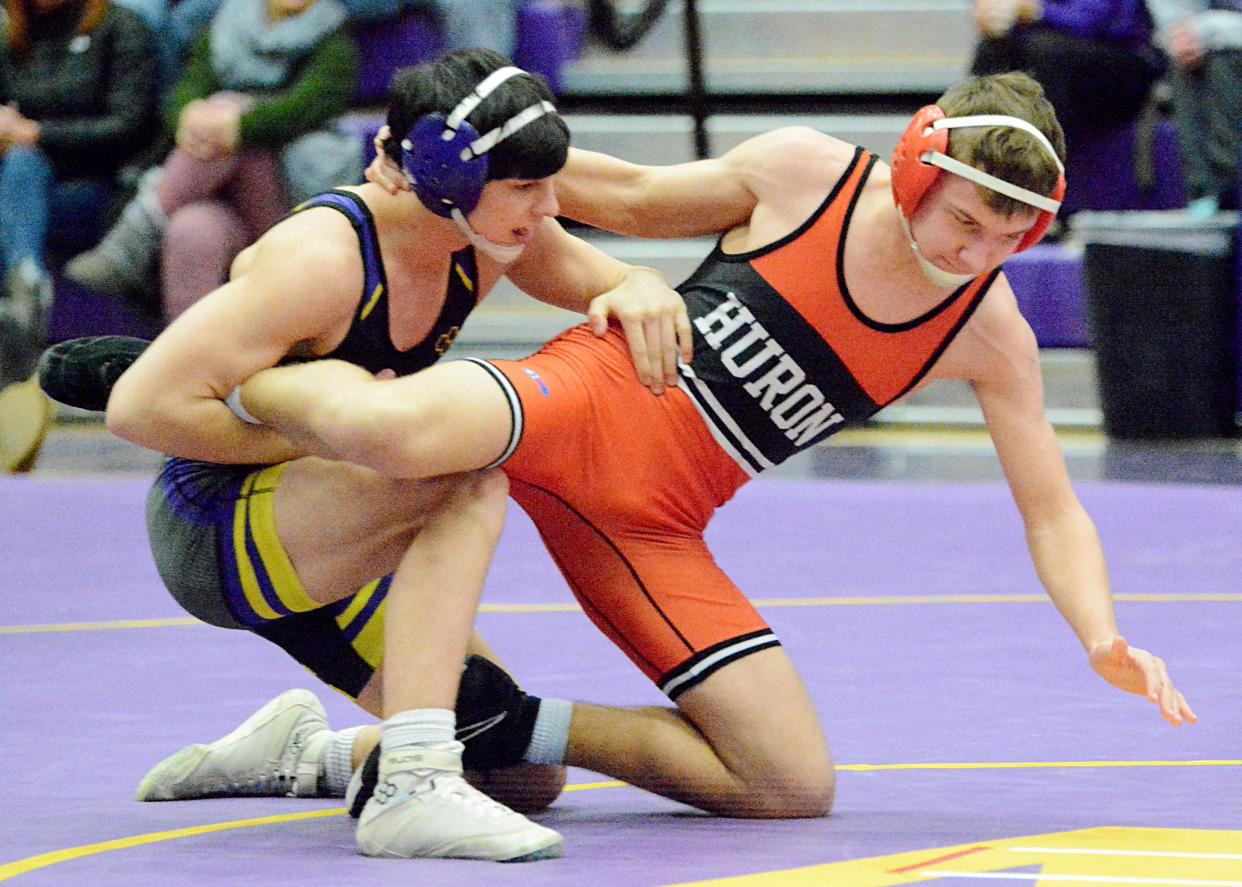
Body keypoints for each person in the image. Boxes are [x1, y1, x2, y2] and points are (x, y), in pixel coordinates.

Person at [52, 71, 1195, 849]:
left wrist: (1099, 631)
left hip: (652, 520)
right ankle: (222, 365)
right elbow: (629, 197)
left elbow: (1050, 506)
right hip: (582, 401)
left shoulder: (986, 331)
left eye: (1011, 237)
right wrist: (481, 148)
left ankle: (397, 740)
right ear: (915, 168)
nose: (976, 253)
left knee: (788, 783)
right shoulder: (806, 175)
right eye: (965, 221)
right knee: (406, 432)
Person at [39, 48, 691, 861]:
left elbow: (600, 278)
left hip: (334, 524)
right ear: (446, 177)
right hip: (218, 522)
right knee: (463, 470)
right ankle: (413, 786)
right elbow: (141, 407)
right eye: (526, 187)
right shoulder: (321, 259)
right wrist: (326, 434)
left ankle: (301, 751)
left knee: (519, 767)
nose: (549, 205)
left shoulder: (486, 233)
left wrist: (639, 283)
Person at [63, 0, 360, 320]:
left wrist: (237, 126)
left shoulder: (333, 41)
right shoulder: (227, 25)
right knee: (191, 228)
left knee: (227, 106)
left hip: (286, 200)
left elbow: (303, 110)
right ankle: (187, 357)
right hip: (214, 190)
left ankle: (136, 233)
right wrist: (188, 118)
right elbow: (188, 89)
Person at [0, 0, 157, 367]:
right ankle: (26, 284)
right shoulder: (13, 34)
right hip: (23, 183)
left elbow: (129, 127)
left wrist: (38, 134)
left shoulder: (121, 27)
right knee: (21, 170)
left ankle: (25, 290)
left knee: (23, 166)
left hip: (100, 183)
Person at [1146, 0, 1242, 217]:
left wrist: (1206, 29)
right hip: (1211, 41)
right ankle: (1206, 196)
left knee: (1224, 60)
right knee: (1190, 58)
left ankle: (1227, 192)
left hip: (1228, 44)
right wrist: (1179, 33)